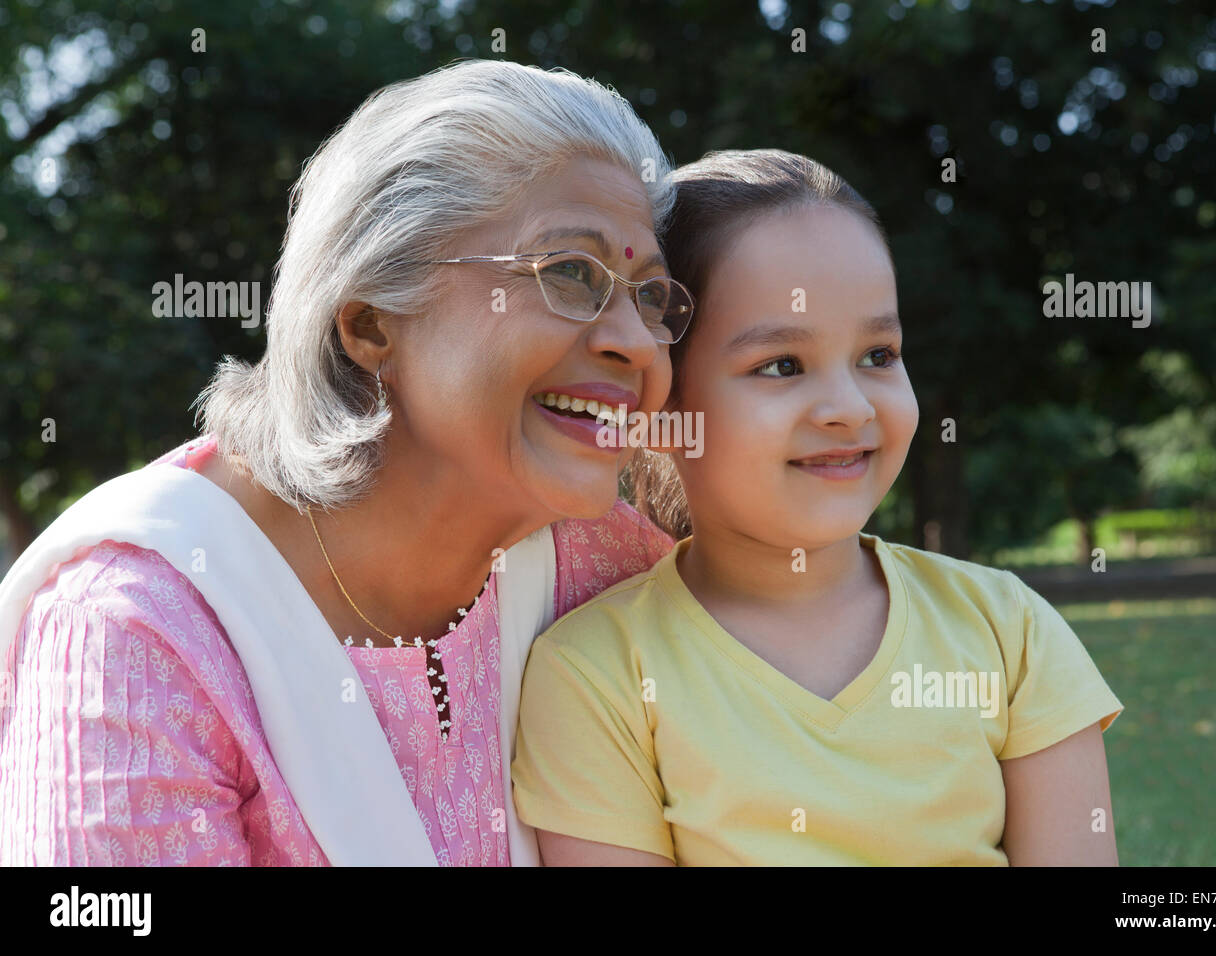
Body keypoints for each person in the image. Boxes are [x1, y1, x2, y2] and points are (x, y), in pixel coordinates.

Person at [0, 58, 692, 866]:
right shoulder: (137, 631)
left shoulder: (617, 574)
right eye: (571, 273)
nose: (636, 343)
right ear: (369, 324)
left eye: (651, 295)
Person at [511, 149, 1123, 866]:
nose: (849, 407)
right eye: (781, 366)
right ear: (662, 402)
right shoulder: (596, 675)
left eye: (878, 355)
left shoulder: (1008, 633)